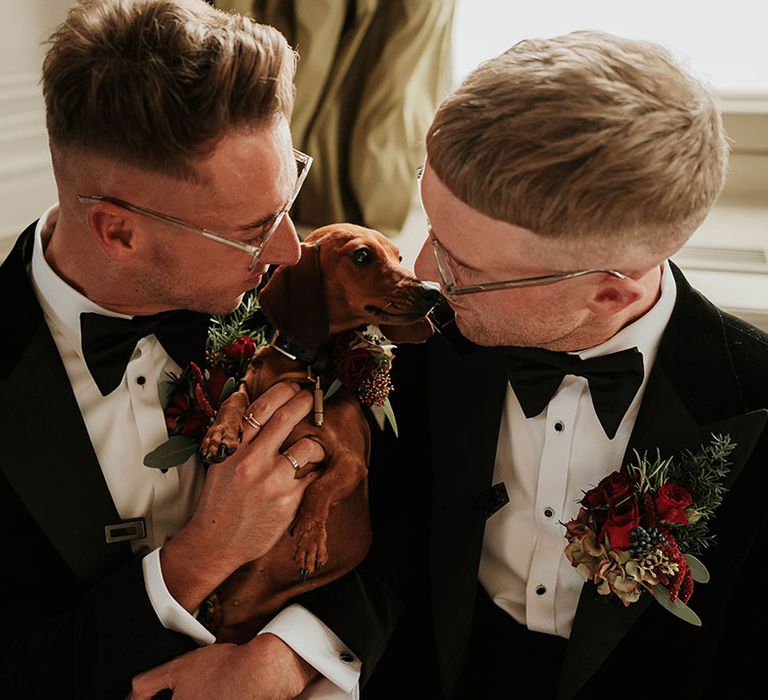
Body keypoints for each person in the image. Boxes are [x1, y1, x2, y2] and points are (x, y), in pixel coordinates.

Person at [313, 31, 768, 699]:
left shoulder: (753, 403)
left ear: (610, 291)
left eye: (465, 266)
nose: (425, 270)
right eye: (433, 223)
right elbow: (382, 554)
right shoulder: (413, 348)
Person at [0, 1, 371, 697]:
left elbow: (414, 523)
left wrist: (294, 654)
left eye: (288, 192)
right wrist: (195, 562)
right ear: (118, 232)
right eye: (254, 228)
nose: (291, 249)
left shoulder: (304, 299)